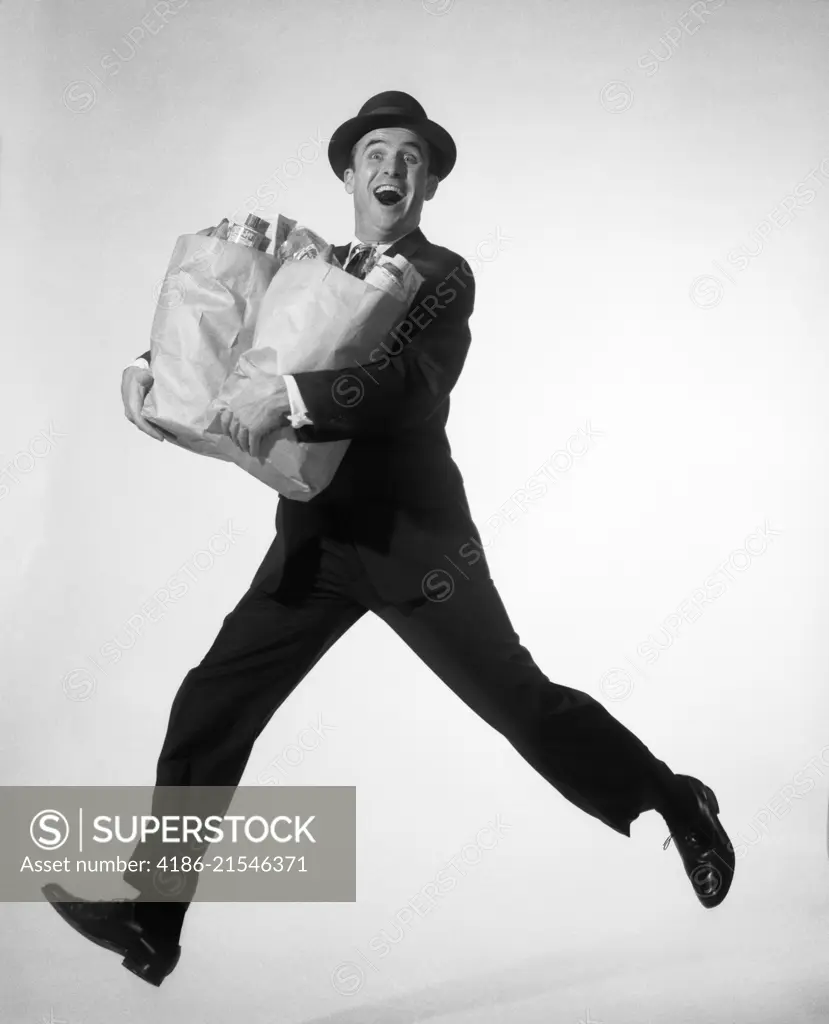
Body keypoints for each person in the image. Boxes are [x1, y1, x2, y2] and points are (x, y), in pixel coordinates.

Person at [42, 91, 735, 987]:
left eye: (411, 156)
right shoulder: (306, 265)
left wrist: (293, 400)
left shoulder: (441, 276)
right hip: (317, 547)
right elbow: (240, 332)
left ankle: (674, 800)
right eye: (375, 151)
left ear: (430, 181)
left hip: (419, 548)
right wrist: (147, 370)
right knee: (211, 704)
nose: (391, 168)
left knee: (520, 706)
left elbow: (413, 385)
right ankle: (151, 920)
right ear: (347, 173)